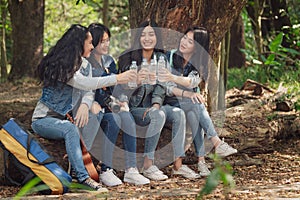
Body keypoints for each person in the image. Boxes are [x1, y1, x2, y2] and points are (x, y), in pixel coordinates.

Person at [31, 24, 137, 191]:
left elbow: (88, 90)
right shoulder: (61, 67)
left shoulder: (84, 65)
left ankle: (82, 164)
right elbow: (85, 83)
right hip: (44, 120)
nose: (92, 46)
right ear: (78, 44)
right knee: (69, 128)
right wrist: (117, 78)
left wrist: (86, 104)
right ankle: (81, 177)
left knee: (100, 114)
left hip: (68, 118)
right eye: (89, 43)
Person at [118, 20, 200, 180]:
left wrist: (156, 104)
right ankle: (148, 165)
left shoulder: (161, 57)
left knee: (178, 114)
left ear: (157, 37)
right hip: (133, 108)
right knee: (159, 115)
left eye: (151, 34)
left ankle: (178, 165)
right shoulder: (128, 57)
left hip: (154, 106)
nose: (147, 38)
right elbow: (121, 89)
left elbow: (161, 86)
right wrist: (139, 81)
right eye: (143, 34)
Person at [159, 26, 238, 177]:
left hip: (190, 103)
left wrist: (173, 77)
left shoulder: (199, 63)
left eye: (190, 42)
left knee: (195, 112)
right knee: (196, 103)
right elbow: (166, 88)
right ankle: (216, 144)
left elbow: (192, 82)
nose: (184, 42)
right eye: (184, 38)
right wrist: (186, 93)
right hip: (171, 101)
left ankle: (201, 162)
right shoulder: (169, 56)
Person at [86, 23, 150, 186]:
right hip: (94, 109)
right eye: (102, 41)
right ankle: (106, 169)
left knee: (126, 117)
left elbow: (116, 87)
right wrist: (110, 100)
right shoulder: (87, 63)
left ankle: (131, 170)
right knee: (115, 119)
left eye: (108, 40)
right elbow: (92, 91)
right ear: (93, 42)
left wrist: (121, 99)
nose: (106, 44)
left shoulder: (109, 61)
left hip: (110, 104)